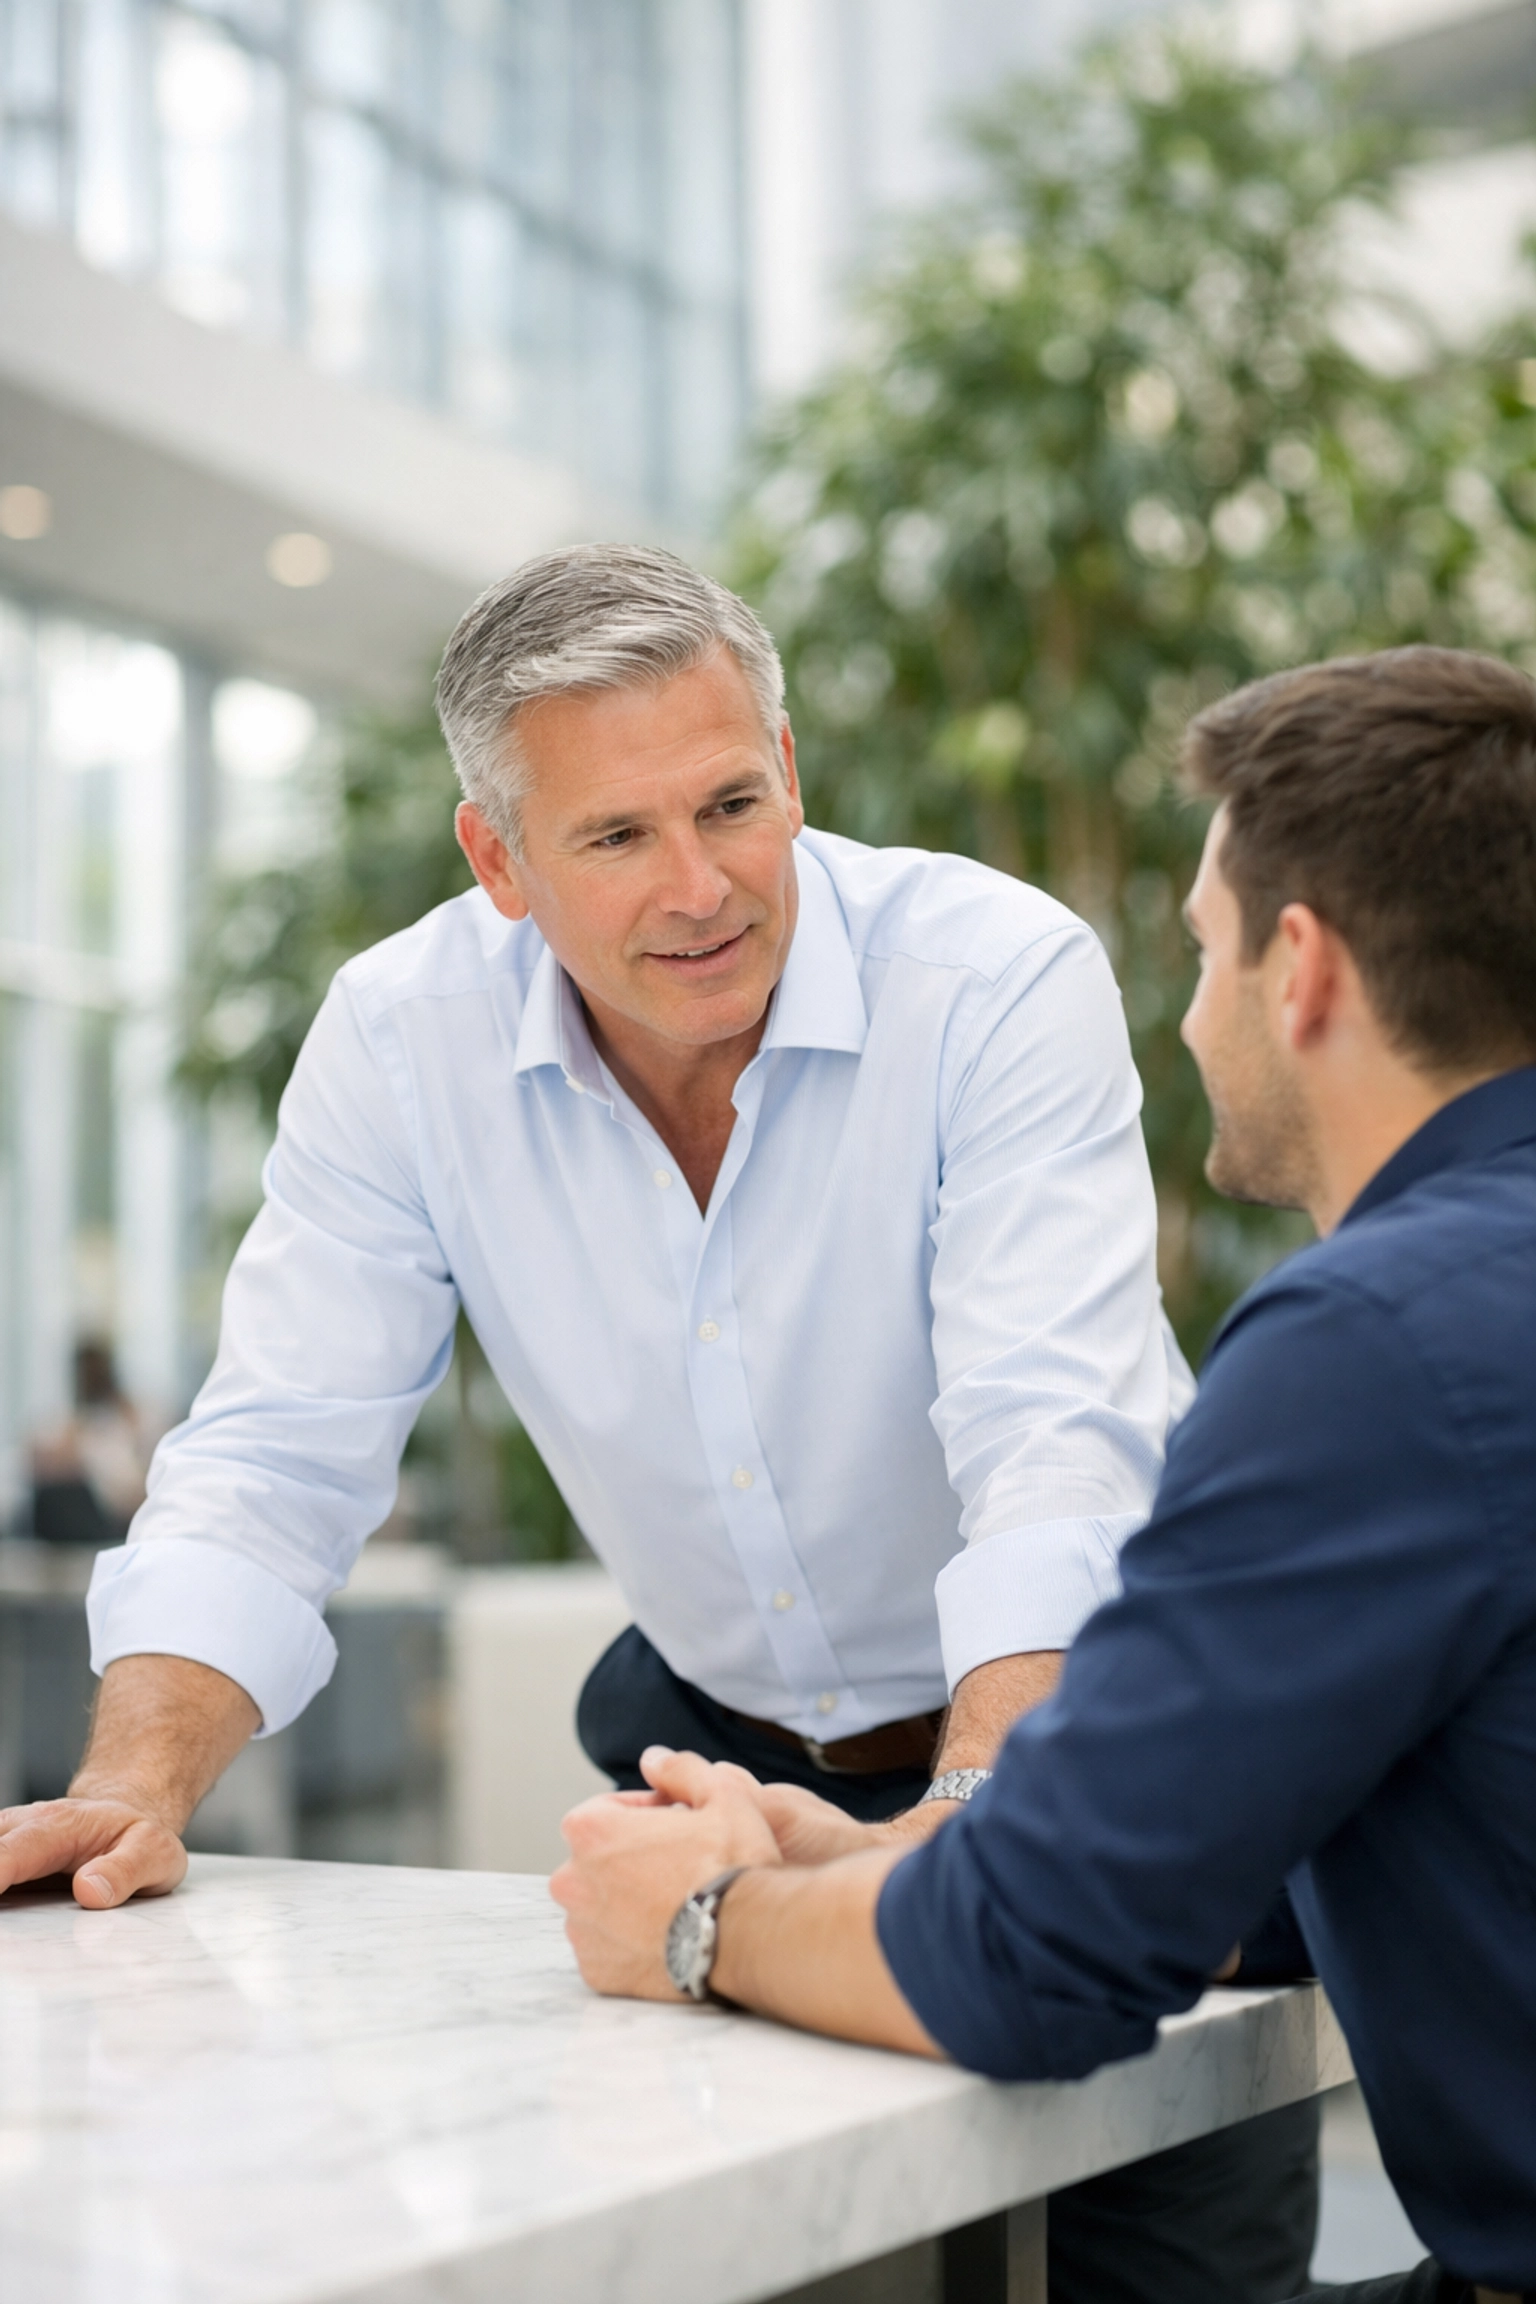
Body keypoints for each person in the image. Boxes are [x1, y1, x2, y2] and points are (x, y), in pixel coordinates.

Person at [0, 544, 1316, 2303]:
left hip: (1101, 1747)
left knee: (1166, 2276)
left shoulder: (991, 973)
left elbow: (1052, 1439)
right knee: (767, 2256)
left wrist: (985, 1832)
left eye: (733, 803)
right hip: (726, 1767)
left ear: (794, 767)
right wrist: (129, 1787)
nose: (701, 887)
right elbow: (275, 1450)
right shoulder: (401, 1041)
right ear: (500, 861)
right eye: (616, 837)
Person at [552, 643, 1536, 2304]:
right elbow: (1263, 1854)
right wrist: (878, 1861)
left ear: (1300, 972)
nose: (1189, 1010)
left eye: (1203, 953)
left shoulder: (1379, 1342)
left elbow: (1038, 1970)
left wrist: (702, 1918)